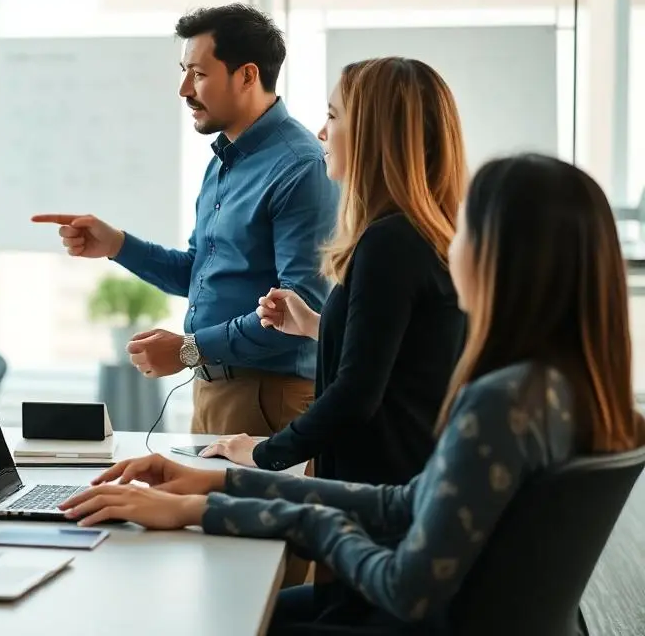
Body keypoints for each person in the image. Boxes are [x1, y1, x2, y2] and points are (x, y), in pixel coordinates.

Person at [59, 153, 643, 633]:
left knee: (208, 617)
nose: (451, 245)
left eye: (466, 229)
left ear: (503, 258)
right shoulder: (568, 390)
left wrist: (251, 515)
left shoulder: (500, 403)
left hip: (417, 620)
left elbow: (405, 587)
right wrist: (214, 487)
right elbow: (403, 505)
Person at [32, 3, 338, 436]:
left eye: (197, 74)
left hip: (270, 398)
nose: (183, 90)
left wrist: (189, 349)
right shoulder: (224, 161)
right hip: (214, 391)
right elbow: (202, 273)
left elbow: (299, 311)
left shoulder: (300, 166)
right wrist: (117, 244)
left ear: (248, 75)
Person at [199, 58, 469, 488]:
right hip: (410, 479)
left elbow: (356, 395)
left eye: (332, 115)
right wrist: (315, 326)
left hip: (375, 493)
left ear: (374, 133)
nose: (321, 133)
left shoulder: (389, 244)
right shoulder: (430, 236)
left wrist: (263, 450)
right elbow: (404, 355)